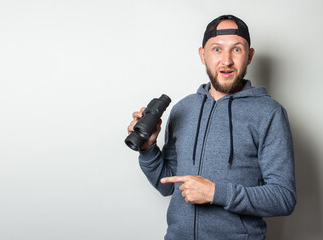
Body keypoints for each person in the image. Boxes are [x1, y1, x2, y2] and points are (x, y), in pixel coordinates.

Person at [127, 15, 297, 240]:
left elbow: (283, 198)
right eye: (217, 49)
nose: (226, 60)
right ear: (202, 55)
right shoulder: (182, 109)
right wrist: (148, 150)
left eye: (236, 50)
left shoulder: (269, 113)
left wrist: (216, 193)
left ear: (249, 56)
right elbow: (168, 185)